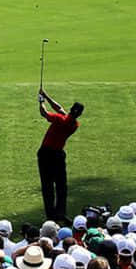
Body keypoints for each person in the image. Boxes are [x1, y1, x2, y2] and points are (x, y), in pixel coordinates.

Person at [38, 87, 84, 223]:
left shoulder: (59, 119)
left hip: (46, 153)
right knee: (61, 185)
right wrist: (46, 95)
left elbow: (44, 113)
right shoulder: (75, 124)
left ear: (71, 110)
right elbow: (59, 109)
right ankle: (60, 213)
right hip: (58, 155)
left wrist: (41, 101)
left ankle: (51, 216)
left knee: (47, 185)